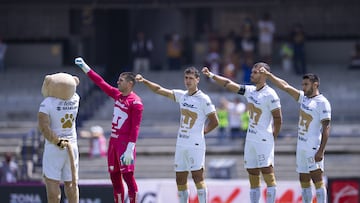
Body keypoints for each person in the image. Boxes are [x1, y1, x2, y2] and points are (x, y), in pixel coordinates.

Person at [135, 67, 219, 203]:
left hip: (195, 143)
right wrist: (144, 81)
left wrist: (203, 132)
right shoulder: (182, 95)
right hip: (181, 143)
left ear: (197, 80)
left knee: (197, 176)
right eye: (186, 78)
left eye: (191, 78)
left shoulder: (204, 99)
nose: (188, 81)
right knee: (180, 178)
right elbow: (159, 90)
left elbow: (215, 121)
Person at [202, 62, 282, 203]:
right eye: (252, 71)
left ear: (264, 74)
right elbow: (228, 83)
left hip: (263, 139)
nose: (252, 74)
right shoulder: (250, 90)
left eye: (255, 72)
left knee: (267, 173)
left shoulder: (271, 94)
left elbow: (278, 118)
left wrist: (272, 137)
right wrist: (212, 75)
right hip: (250, 138)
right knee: (252, 173)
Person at [75, 57, 143, 203]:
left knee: (128, 177)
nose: (118, 82)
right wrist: (85, 67)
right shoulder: (117, 95)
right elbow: (100, 82)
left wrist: (130, 148)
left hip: (125, 143)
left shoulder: (136, 103)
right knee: (114, 177)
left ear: (130, 83)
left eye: (121, 80)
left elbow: (135, 127)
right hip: (113, 142)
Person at [260, 69, 331, 203]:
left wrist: (321, 150)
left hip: (313, 147)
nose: (303, 87)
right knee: (303, 179)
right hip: (301, 147)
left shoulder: (323, 103)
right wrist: (269, 75)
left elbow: (326, 127)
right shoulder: (303, 98)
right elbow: (285, 87)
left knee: (317, 179)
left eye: (306, 84)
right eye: (302, 84)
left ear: (315, 84)